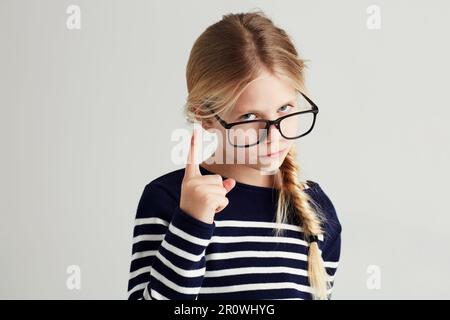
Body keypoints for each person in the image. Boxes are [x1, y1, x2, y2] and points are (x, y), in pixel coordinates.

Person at [127, 10, 342, 300]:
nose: (273, 135)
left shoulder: (316, 210)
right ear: (205, 115)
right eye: (250, 116)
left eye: (285, 109)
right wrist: (192, 222)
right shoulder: (168, 199)